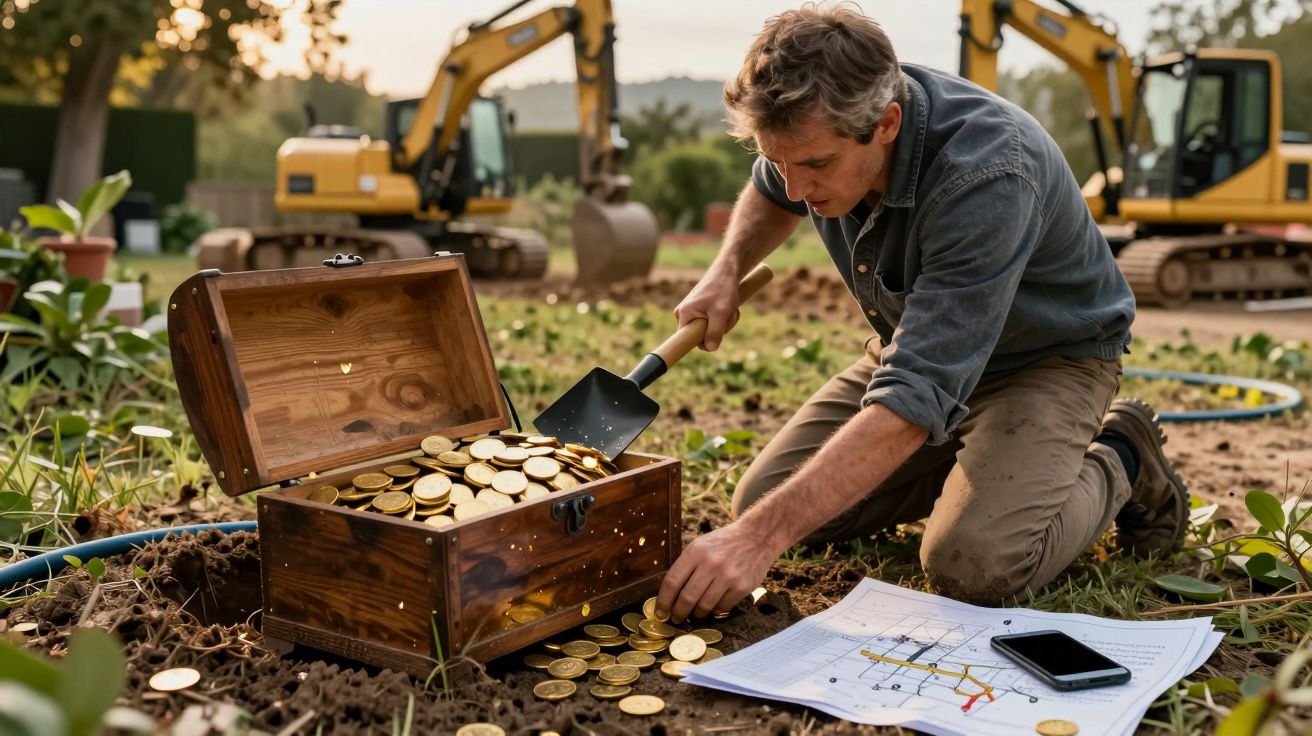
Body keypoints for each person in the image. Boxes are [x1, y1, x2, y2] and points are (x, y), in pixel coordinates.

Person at [654, 2, 1188, 623]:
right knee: (765, 498)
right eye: (780, 160)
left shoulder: (987, 175)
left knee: (975, 564)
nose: (797, 189)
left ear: (887, 124)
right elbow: (773, 192)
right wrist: (724, 271)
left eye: (817, 166)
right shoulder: (817, 127)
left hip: (1044, 360)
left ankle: (1122, 453)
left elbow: (914, 395)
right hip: (920, 346)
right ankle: (992, 473)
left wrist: (753, 542)